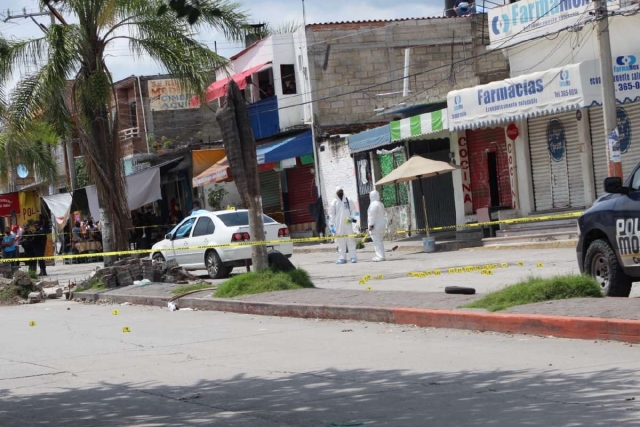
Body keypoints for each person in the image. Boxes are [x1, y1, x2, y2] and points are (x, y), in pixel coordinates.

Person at [329, 186, 358, 264]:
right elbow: (332, 215)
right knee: (340, 242)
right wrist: (331, 225)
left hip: (348, 224)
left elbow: (353, 210)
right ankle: (342, 258)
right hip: (338, 226)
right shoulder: (334, 202)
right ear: (336, 192)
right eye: (339, 191)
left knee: (350, 241)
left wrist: (352, 218)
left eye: (341, 191)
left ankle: (353, 257)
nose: (340, 192)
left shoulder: (348, 200)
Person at [367, 190, 386, 262]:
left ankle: (380, 256)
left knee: (376, 241)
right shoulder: (380, 204)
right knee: (380, 240)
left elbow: (372, 215)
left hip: (376, 224)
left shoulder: (373, 204)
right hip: (382, 223)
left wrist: (371, 224)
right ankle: (380, 255)